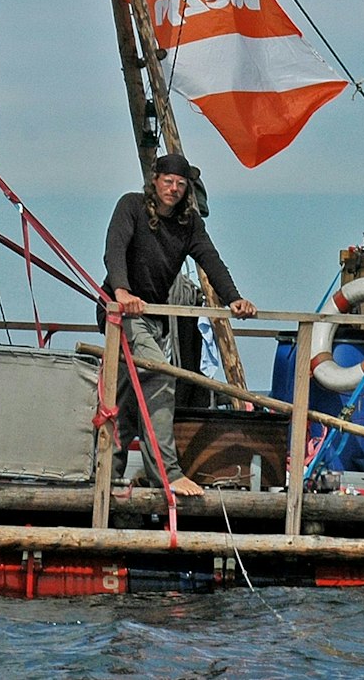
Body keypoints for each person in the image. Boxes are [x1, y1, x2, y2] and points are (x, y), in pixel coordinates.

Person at [101, 153, 256, 497]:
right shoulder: (132, 206)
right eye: (168, 181)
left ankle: (106, 475)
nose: (173, 189)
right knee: (158, 374)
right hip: (121, 312)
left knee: (126, 396)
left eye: (181, 185)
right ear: (154, 180)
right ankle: (167, 473)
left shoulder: (189, 224)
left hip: (153, 317)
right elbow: (114, 249)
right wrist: (122, 291)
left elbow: (211, 261)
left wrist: (234, 299)